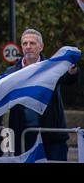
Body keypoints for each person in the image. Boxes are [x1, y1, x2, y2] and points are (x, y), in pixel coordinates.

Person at [5, 28, 80, 161]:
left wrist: (72, 71)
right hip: (23, 137)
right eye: (25, 43)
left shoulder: (53, 67)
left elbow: (68, 79)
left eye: (32, 43)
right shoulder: (11, 72)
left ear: (41, 46)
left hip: (52, 136)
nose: (28, 47)